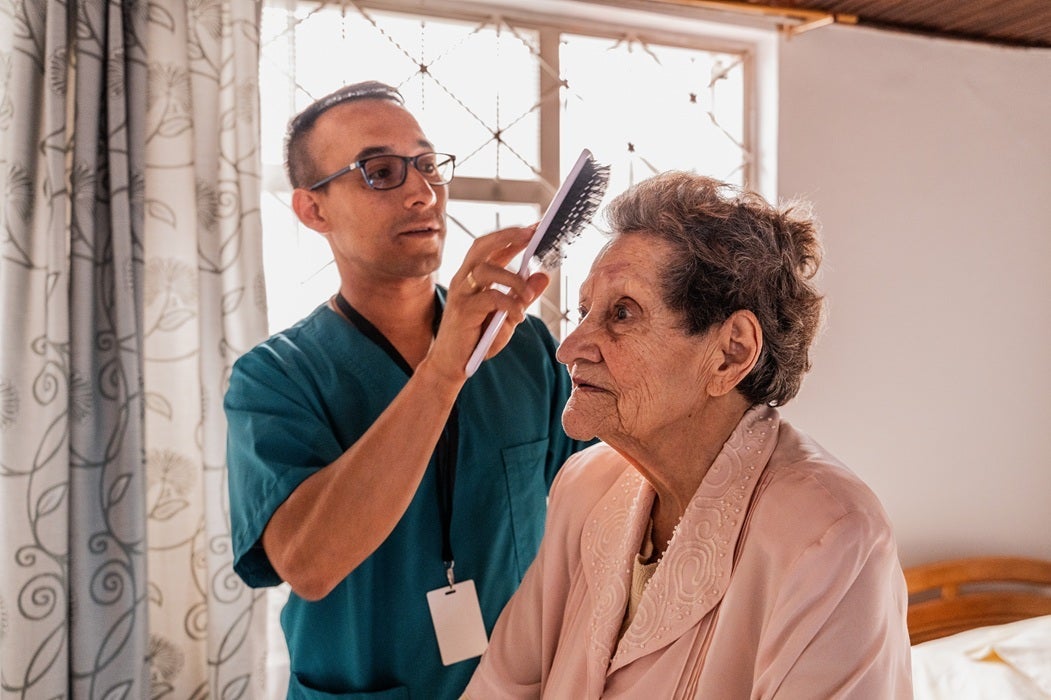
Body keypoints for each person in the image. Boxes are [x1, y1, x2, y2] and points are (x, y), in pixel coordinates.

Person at [465, 171, 913, 698]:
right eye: (583, 312)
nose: (569, 349)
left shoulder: (832, 535)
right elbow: (501, 687)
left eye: (622, 313)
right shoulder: (584, 487)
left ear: (731, 352)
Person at [224, 80, 591, 699]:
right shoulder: (274, 379)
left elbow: (606, 501)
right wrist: (445, 370)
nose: (422, 192)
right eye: (381, 171)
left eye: (427, 166)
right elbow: (308, 564)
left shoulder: (522, 348)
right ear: (314, 210)